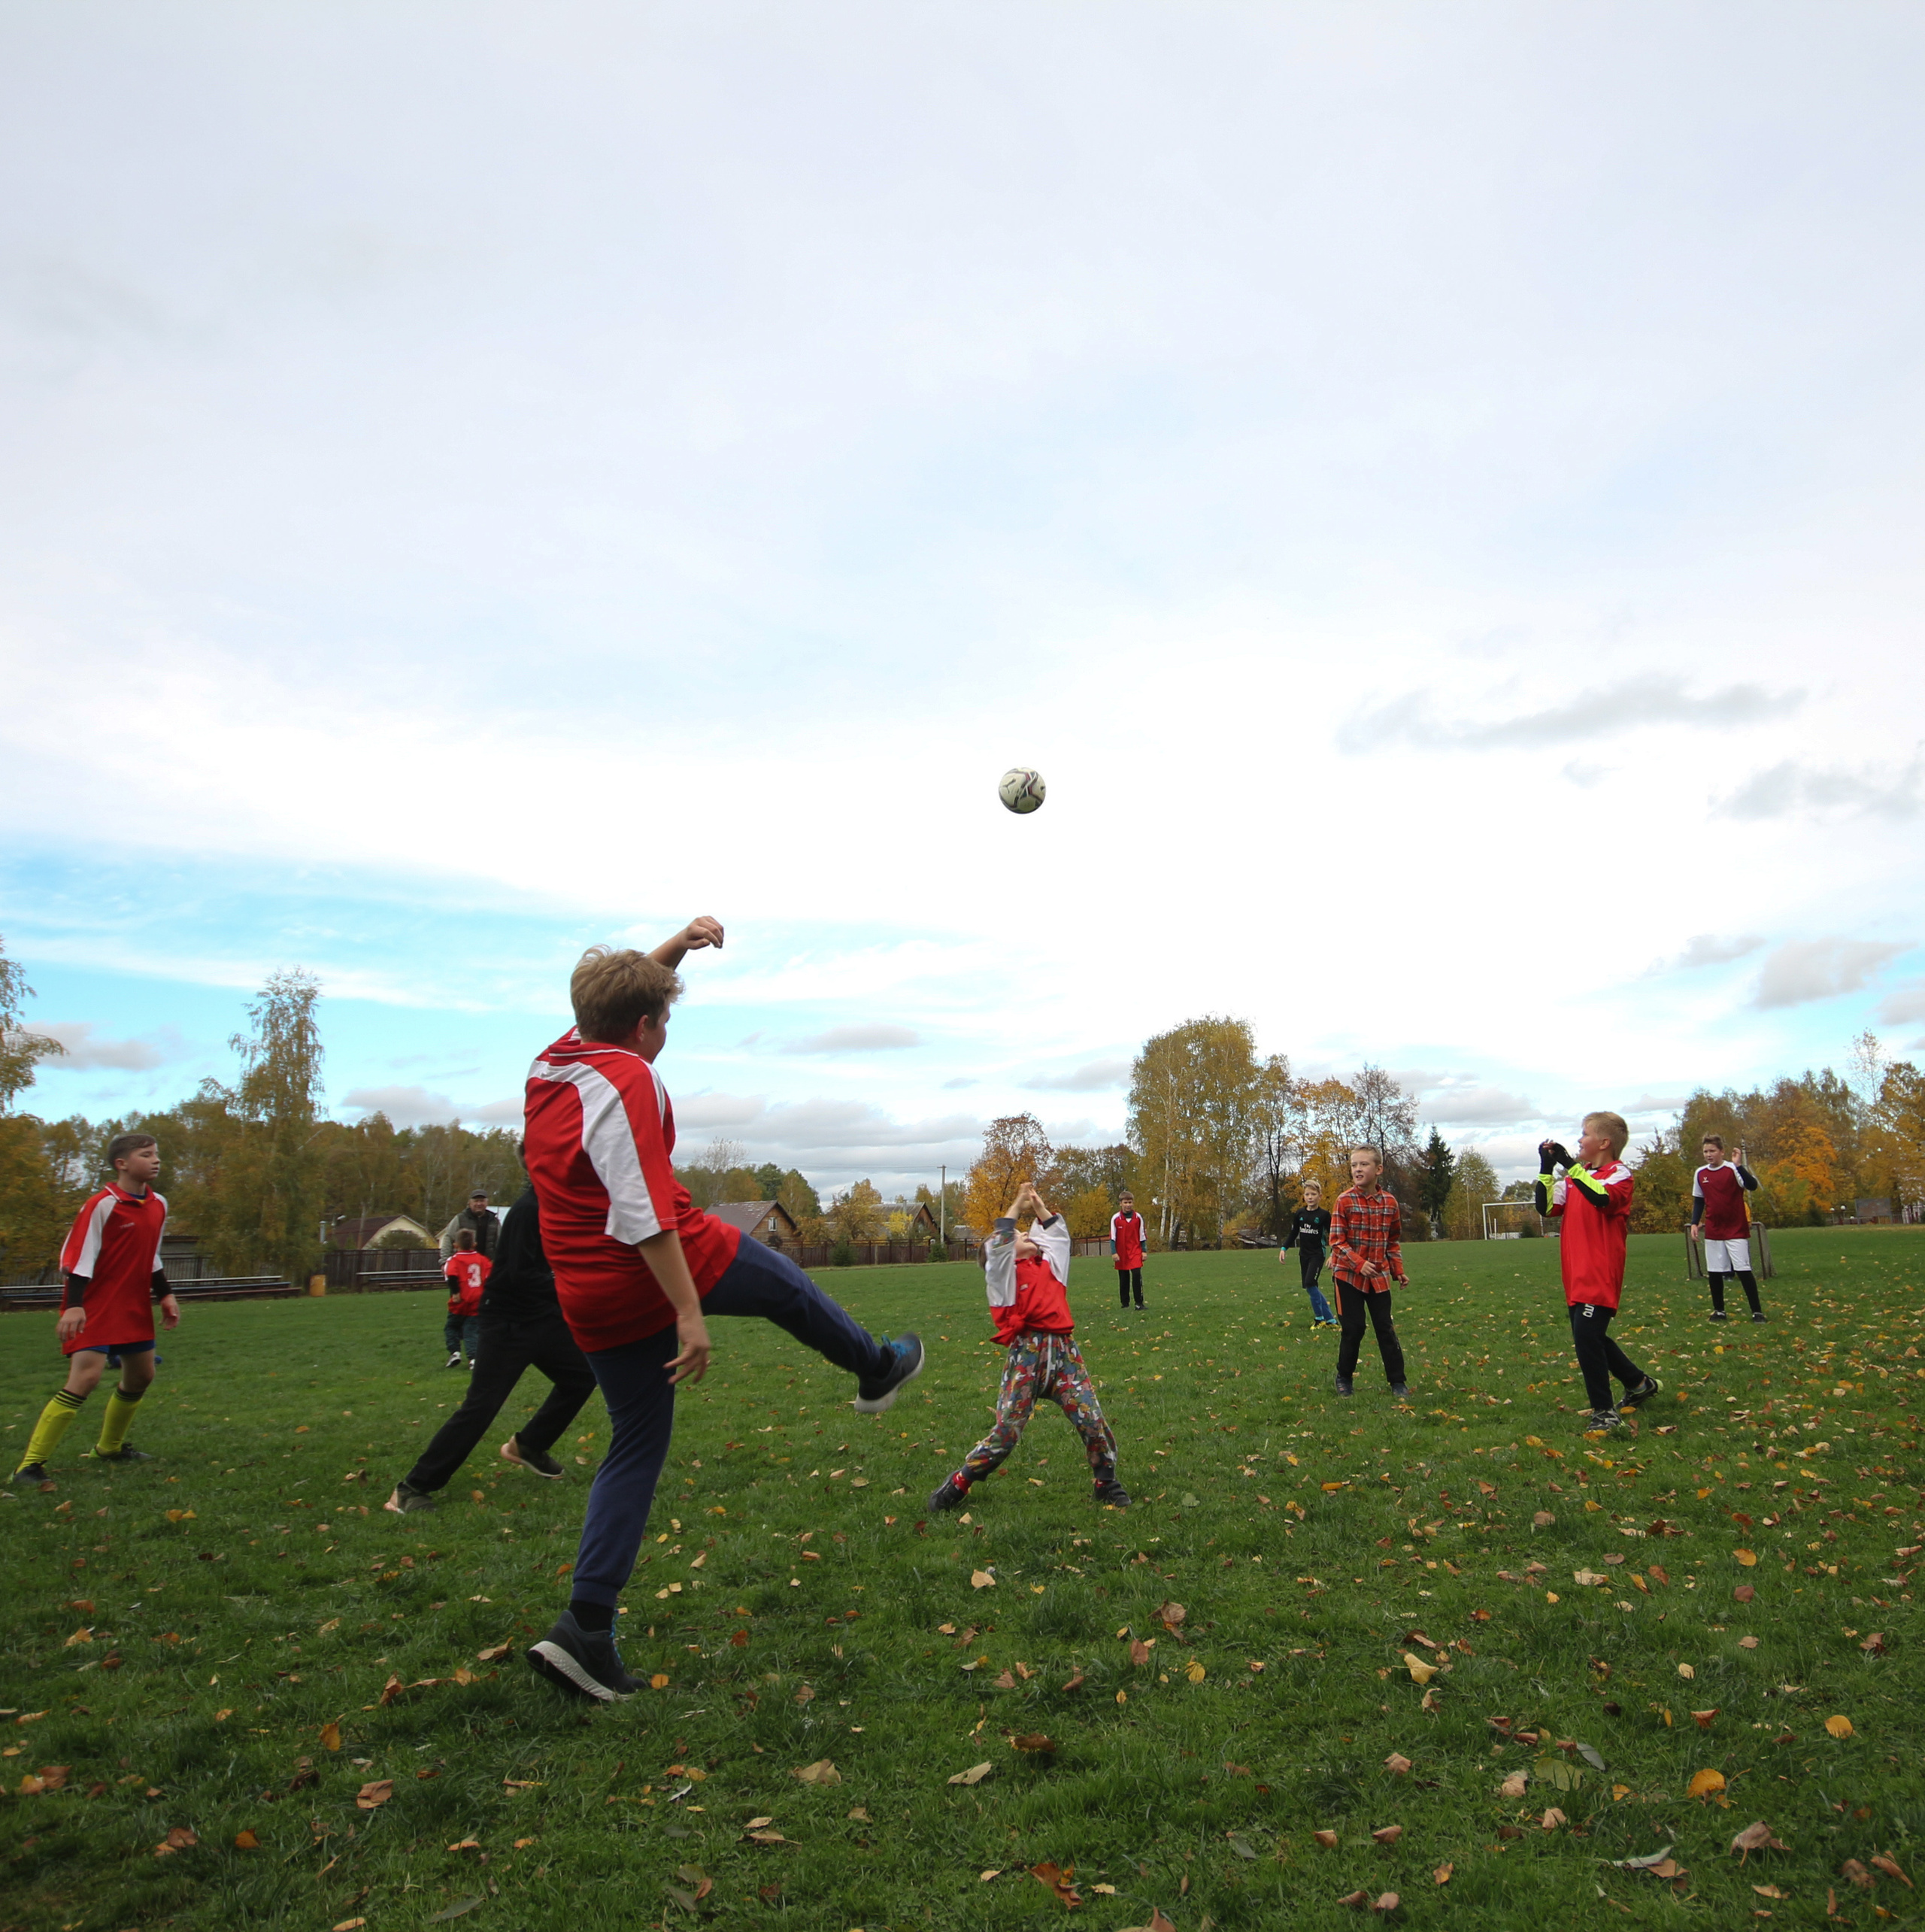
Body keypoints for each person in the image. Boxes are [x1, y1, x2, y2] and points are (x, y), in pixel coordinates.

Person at [520, 919, 926, 1703]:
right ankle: (876, 1368)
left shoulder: (556, 1060)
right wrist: (688, 1312)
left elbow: (624, 999)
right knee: (784, 1285)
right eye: (663, 1019)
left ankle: (585, 1627)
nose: (665, 1029)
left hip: (581, 1287)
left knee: (634, 1445)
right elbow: (641, 1213)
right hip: (648, 1261)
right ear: (642, 1028)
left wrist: (675, 945)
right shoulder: (630, 1079)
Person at [386, 1181, 599, 1514]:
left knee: (581, 1377)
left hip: (542, 1317)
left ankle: (529, 1446)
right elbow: (519, 1274)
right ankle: (412, 1488)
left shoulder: (563, 1201)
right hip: (508, 1323)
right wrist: (574, 1284)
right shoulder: (530, 1209)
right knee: (482, 1405)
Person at [929, 1181, 1128, 1513]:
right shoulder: (1003, 1280)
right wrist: (1016, 1208)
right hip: (1026, 1359)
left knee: (1091, 1419)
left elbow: (1058, 1237)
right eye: (1022, 1236)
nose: (1028, 1236)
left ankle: (1105, 1482)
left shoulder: (1051, 1267)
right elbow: (997, 1249)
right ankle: (961, 1481)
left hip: (1064, 1356)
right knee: (1006, 1431)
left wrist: (1037, 1205)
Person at [11, 1133, 180, 1482]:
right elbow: (76, 1256)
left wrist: (165, 1294)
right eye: (146, 1154)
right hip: (94, 1305)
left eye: (156, 1154)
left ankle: (110, 1449)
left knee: (142, 1376)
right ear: (122, 1164)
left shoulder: (159, 1203)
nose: (155, 1160)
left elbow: (152, 1256)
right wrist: (74, 1306)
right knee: (86, 1378)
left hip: (133, 1305)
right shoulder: (102, 1204)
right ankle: (30, 1465)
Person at [1536, 1113, 1661, 1433]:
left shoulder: (1619, 1174)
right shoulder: (1579, 1177)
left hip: (1600, 1272)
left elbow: (1602, 1198)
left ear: (1604, 1143)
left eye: (1584, 1134)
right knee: (1589, 1336)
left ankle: (1604, 1412)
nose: (1579, 1140)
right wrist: (1547, 1169)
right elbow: (1546, 1207)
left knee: (1587, 1338)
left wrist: (1572, 1167)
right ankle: (1638, 1383)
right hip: (1575, 1273)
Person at [1328, 1145, 1410, 1399]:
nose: (1358, 1169)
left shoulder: (1390, 1203)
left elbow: (1392, 1242)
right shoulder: (1344, 1200)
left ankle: (1398, 1382)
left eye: (1363, 1165)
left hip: (1379, 1278)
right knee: (1354, 1329)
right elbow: (1336, 1242)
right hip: (1348, 1276)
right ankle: (1344, 1377)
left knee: (1385, 1328)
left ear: (1379, 1169)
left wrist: (1398, 1271)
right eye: (1354, 1165)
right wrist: (1358, 1263)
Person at [1691, 1135, 1765, 1323]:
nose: (1709, 1155)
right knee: (1715, 1271)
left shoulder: (1733, 1169)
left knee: (1743, 1269)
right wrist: (1694, 1222)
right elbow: (1698, 1200)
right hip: (1714, 1230)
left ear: (1721, 1152)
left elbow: (1752, 1186)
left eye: (1712, 1151)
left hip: (1736, 1229)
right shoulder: (1700, 1173)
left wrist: (1739, 1165)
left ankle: (1757, 1312)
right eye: (1706, 1151)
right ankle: (1719, 1311)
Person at [1282, 1178, 1336, 1327]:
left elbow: (1334, 1236)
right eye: (1307, 1194)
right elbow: (1294, 1233)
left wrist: (1333, 1254)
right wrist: (1284, 1248)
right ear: (1304, 1197)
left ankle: (1319, 1319)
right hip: (1304, 1255)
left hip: (1317, 1255)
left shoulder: (1324, 1215)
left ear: (1320, 1196)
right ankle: (1330, 1319)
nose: (1310, 1197)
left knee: (1310, 1283)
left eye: (1313, 1194)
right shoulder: (1300, 1214)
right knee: (1311, 1287)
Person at [443, 1231, 490, 1368]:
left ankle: (455, 1352)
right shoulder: (483, 1260)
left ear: (455, 1245)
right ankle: (473, 1359)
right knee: (472, 1329)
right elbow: (489, 1278)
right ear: (475, 1244)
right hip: (477, 1299)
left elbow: (451, 1276)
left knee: (452, 1327)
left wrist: (456, 1293)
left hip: (460, 1300)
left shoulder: (454, 1260)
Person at [439, 1189, 501, 1262]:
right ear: (470, 1203)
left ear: (487, 1203)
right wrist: (444, 1261)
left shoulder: (494, 1221)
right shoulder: (460, 1219)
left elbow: (502, 1244)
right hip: (463, 1265)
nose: (479, 1204)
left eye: (482, 1201)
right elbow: (448, 1239)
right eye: (476, 1201)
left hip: (487, 1266)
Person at [1111, 1189, 1147, 1310]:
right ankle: (1125, 1303)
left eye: (1130, 1202)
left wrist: (1144, 1250)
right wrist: (1114, 1252)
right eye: (1125, 1203)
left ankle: (1139, 1303)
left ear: (1133, 1203)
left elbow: (1142, 1235)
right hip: (1121, 1253)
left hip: (1135, 1251)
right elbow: (1113, 1237)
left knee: (1137, 1275)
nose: (1128, 1205)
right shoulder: (1116, 1218)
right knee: (1124, 1278)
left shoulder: (1138, 1218)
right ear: (1121, 1204)